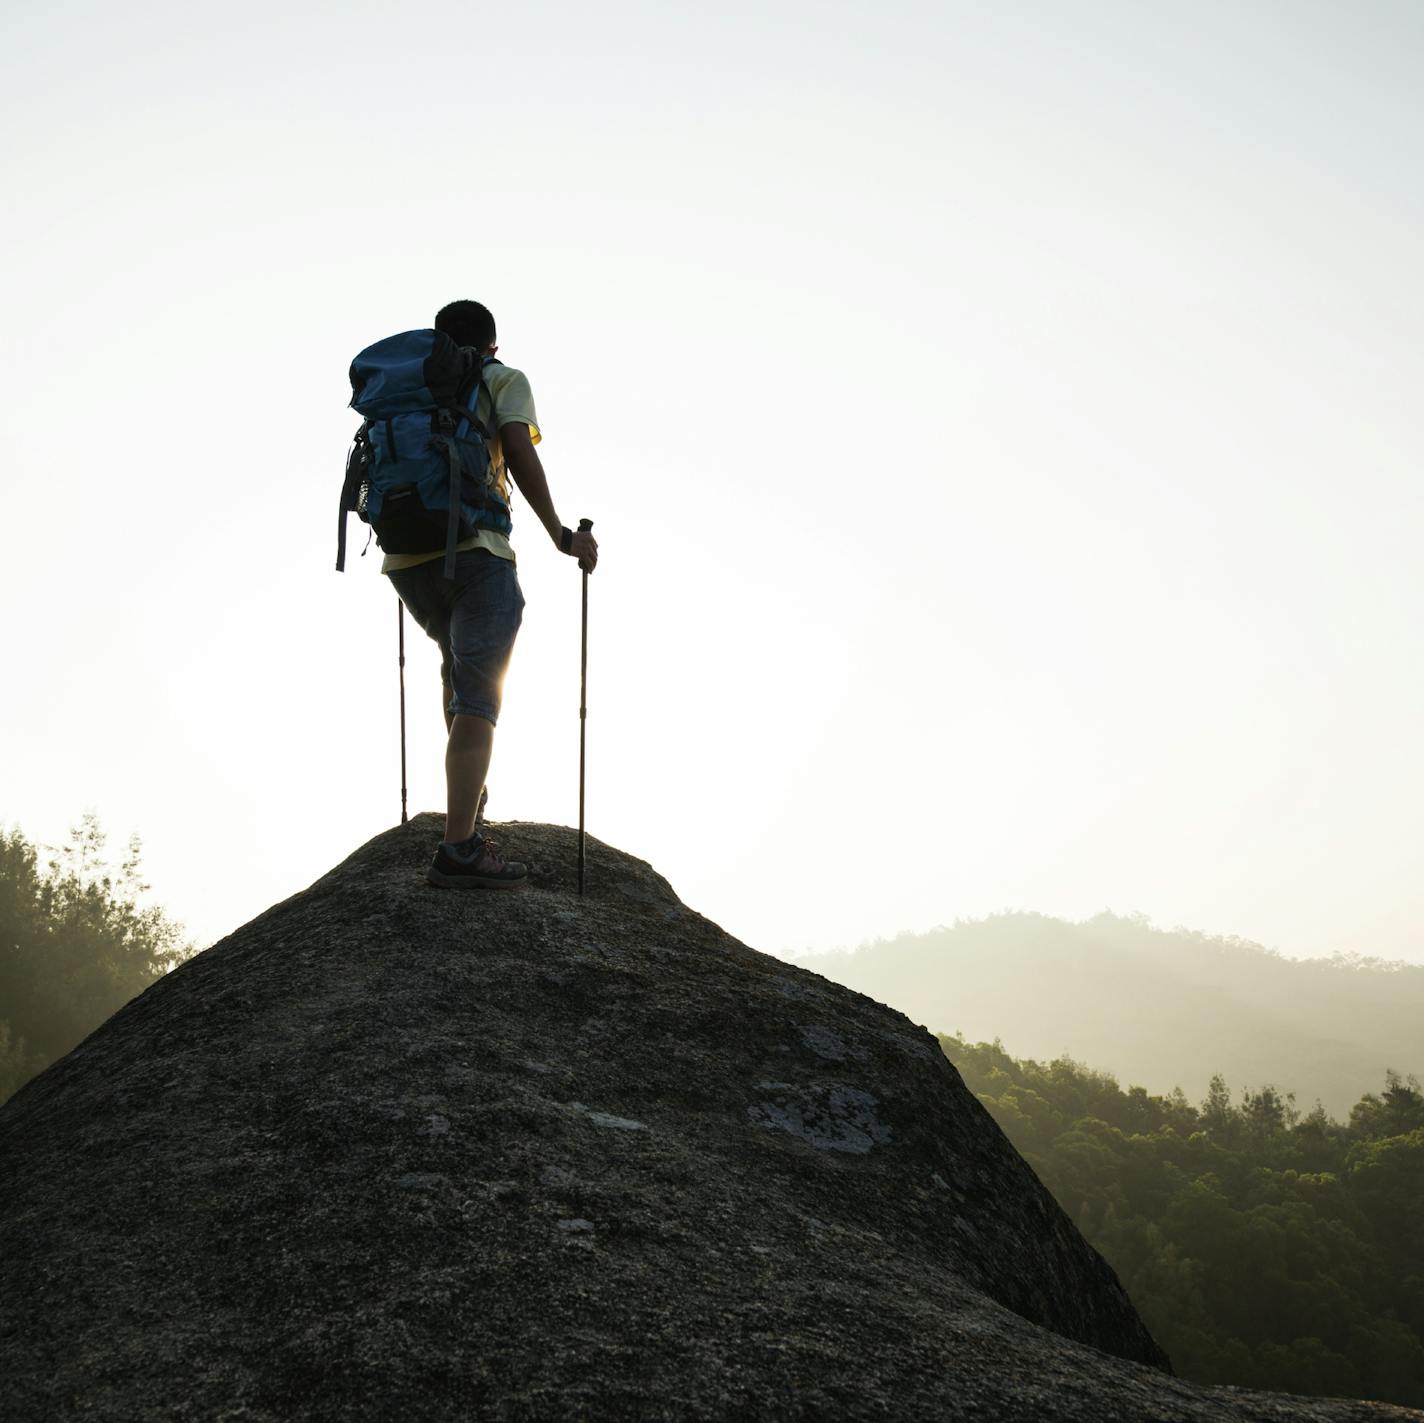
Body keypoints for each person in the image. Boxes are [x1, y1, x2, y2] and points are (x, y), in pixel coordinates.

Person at [383, 299, 597, 889]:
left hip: (406, 559)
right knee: (479, 692)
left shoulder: (410, 390)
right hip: (478, 551)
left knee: (456, 668)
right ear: (491, 347)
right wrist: (560, 534)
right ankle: (461, 847)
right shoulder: (501, 377)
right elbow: (516, 446)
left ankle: (464, 806)